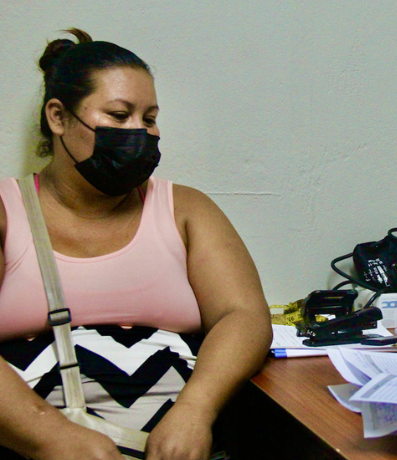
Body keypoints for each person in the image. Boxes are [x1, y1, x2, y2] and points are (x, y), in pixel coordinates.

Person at [0, 29, 272, 460]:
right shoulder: (5, 211)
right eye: (119, 115)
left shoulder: (185, 210)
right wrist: (50, 436)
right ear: (58, 117)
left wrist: (194, 412)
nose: (140, 133)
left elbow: (245, 317)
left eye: (148, 119)